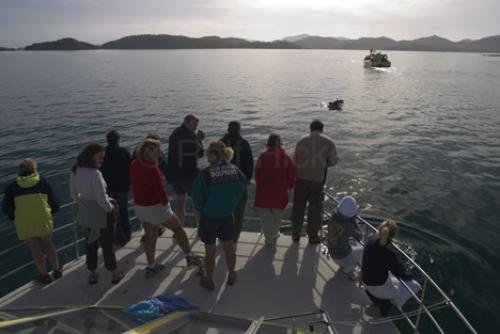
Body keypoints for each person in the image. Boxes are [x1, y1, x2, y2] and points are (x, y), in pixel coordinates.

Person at [130, 139, 202, 277]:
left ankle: (151, 266)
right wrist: (166, 202)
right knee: (178, 229)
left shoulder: (134, 164)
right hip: (155, 208)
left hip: (140, 208)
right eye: (157, 150)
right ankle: (189, 256)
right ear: (150, 153)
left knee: (150, 236)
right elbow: (160, 193)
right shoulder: (153, 170)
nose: (160, 153)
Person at [192, 141, 246, 290]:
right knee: (229, 247)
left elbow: (196, 201)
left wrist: (204, 209)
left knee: (210, 250)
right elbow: (242, 188)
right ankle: (232, 273)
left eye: (209, 151)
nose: (206, 154)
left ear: (214, 154)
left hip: (209, 218)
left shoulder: (205, 175)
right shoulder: (235, 170)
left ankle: (209, 280)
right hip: (228, 216)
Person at [70, 143, 124, 285]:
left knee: (90, 243)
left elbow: (74, 195)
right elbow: (101, 200)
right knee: (107, 245)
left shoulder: (75, 171)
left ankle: (92, 274)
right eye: (100, 157)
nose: (102, 159)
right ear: (91, 156)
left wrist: (87, 204)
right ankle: (114, 273)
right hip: (102, 214)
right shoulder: (95, 174)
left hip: (87, 213)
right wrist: (111, 207)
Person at [2, 159, 62, 284]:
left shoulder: (12, 187)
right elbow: (55, 203)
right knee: (47, 243)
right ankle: (57, 269)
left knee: (34, 247)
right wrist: (50, 213)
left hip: (25, 223)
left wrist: (15, 217)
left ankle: (44, 275)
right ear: (34, 170)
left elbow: (7, 208)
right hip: (43, 220)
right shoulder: (43, 182)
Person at [291, 120, 337, 244]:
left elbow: (294, 160)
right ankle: (312, 236)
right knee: (315, 209)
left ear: (310, 128)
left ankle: (295, 233)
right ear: (322, 129)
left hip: (301, 179)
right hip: (317, 180)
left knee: (298, 207)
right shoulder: (329, 142)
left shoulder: (301, 141)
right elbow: (333, 162)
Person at [362, 220, 421, 316]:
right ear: (392, 236)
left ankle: (373, 295)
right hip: (377, 288)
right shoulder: (389, 255)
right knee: (416, 286)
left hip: (366, 281)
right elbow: (402, 275)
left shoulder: (371, 241)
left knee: (385, 274)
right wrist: (412, 275)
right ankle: (390, 303)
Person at [254, 134, 296, 245]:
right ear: (280, 144)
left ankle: (268, 238)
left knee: (266, 217)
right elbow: (292, 173)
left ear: (268, 144)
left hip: (263, 191)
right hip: (280, 192)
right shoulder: (285, 158)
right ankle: (275, 233)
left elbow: (257, 174)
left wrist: (260, 184)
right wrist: (289, 186)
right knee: (277, 216)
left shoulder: (262, 157)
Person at [166, 114, 205, 225]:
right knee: (197, 203)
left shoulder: (174, 133)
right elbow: (200, 153)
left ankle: (178, 228)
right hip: (188, 176)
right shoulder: (192, 136)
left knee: (180, 203)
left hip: (174, 175)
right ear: (187, 122)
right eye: (193, 125)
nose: (195, 128)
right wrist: (199, 140)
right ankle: (201, 229)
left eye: (196, 125)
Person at [220, 121, 254, 242]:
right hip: (240, 182)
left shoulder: (221, 144)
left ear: (228, 129)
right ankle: (234, 236)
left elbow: (213, 163)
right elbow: (250, 163)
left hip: (222, 182)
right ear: (239, 130)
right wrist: (248, 179)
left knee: (223, 210)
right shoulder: (244, 144)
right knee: (238, 212)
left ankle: (223, 234)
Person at [101, 130, 132, 245]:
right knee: (124, 211)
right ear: (118, 139)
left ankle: (119, 236)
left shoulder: (103, 153)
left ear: (107, 140)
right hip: (122, 187)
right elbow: (130, 167)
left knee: (113, 214)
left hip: (108, 188)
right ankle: (127, 234)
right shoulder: (123, 151)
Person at [327, 196, 363, 278]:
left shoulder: (332, 218)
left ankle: (344, 265)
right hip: (340, 257)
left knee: (348, 243)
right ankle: (346, 270)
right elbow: (359, 236)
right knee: (362, 251)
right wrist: (354, 222)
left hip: (331, 252)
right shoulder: (348, 226)